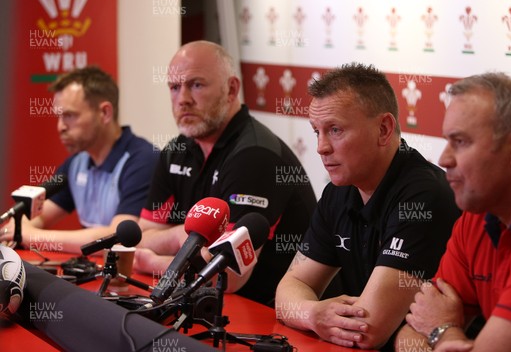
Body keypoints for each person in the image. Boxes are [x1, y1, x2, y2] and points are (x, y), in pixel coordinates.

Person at [275, 63, 461, 350]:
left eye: (335, 130)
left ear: (384, 129)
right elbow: (288, 289)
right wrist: (312, 314)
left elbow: (366, 330)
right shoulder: (338, 192)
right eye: (317, 132)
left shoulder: (424, 195)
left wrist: (308, 311)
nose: (321, 147)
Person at [134, 40, 315, 307]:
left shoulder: (255, 155)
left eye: (196, 85)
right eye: (174, 87)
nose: (182, 99)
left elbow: (228, 276)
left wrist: (155, 261)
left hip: (267, 312)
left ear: (231, 89)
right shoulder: (176, 150)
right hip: (206, 301)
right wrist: (180, 237)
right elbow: (142, 235)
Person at [395, 73, 511, 352]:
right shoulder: (479, 214)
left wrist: (443, 331)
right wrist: (444, 335)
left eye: (460, 141)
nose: (443, 159)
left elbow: (431, 326)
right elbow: (410, 334)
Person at [0, 66, 158, 254]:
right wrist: (20, 227)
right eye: (59, 116)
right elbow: (37, 215)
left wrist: (30, 236)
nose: (60, 127)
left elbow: (116, 238)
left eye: (70, 116)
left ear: (105, 113)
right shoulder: (77, 163)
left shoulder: (144, 160)